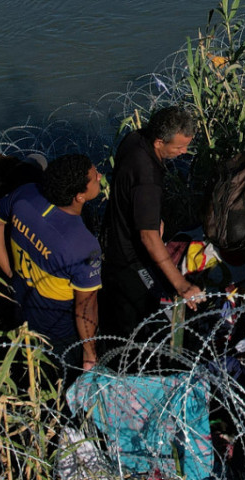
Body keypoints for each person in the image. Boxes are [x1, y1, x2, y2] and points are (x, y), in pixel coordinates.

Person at [0, 154, 103, 369]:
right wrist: (90, 353)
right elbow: (85, 309)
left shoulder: (25, 195)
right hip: (59, 329)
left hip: (23, 305)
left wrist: (10, 273)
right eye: (95, 177)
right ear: (79, 196)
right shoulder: (84, 246)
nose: (100, 177)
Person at [100, 105, 202, 339]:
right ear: (159, 142)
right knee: (138, 320)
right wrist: (181, 285)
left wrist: (152, 217)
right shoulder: (147, 180)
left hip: (114, 237)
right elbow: (148, 237)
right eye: (179, 147)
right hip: (130, 258)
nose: (184, 152)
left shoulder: (134, 139)